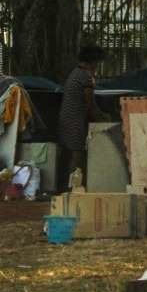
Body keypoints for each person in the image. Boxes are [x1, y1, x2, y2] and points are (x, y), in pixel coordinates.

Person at [56, 45, 108, 191]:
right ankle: (74, 187)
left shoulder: (75, 73)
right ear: (93, 61)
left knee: (68, 153)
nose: (98, 66)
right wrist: (102, 118)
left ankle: (65, 186)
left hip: (66, 117)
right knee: (77, 153)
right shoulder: (85, 76)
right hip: (74, 120)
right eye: (97, 62)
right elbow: (90, 103)